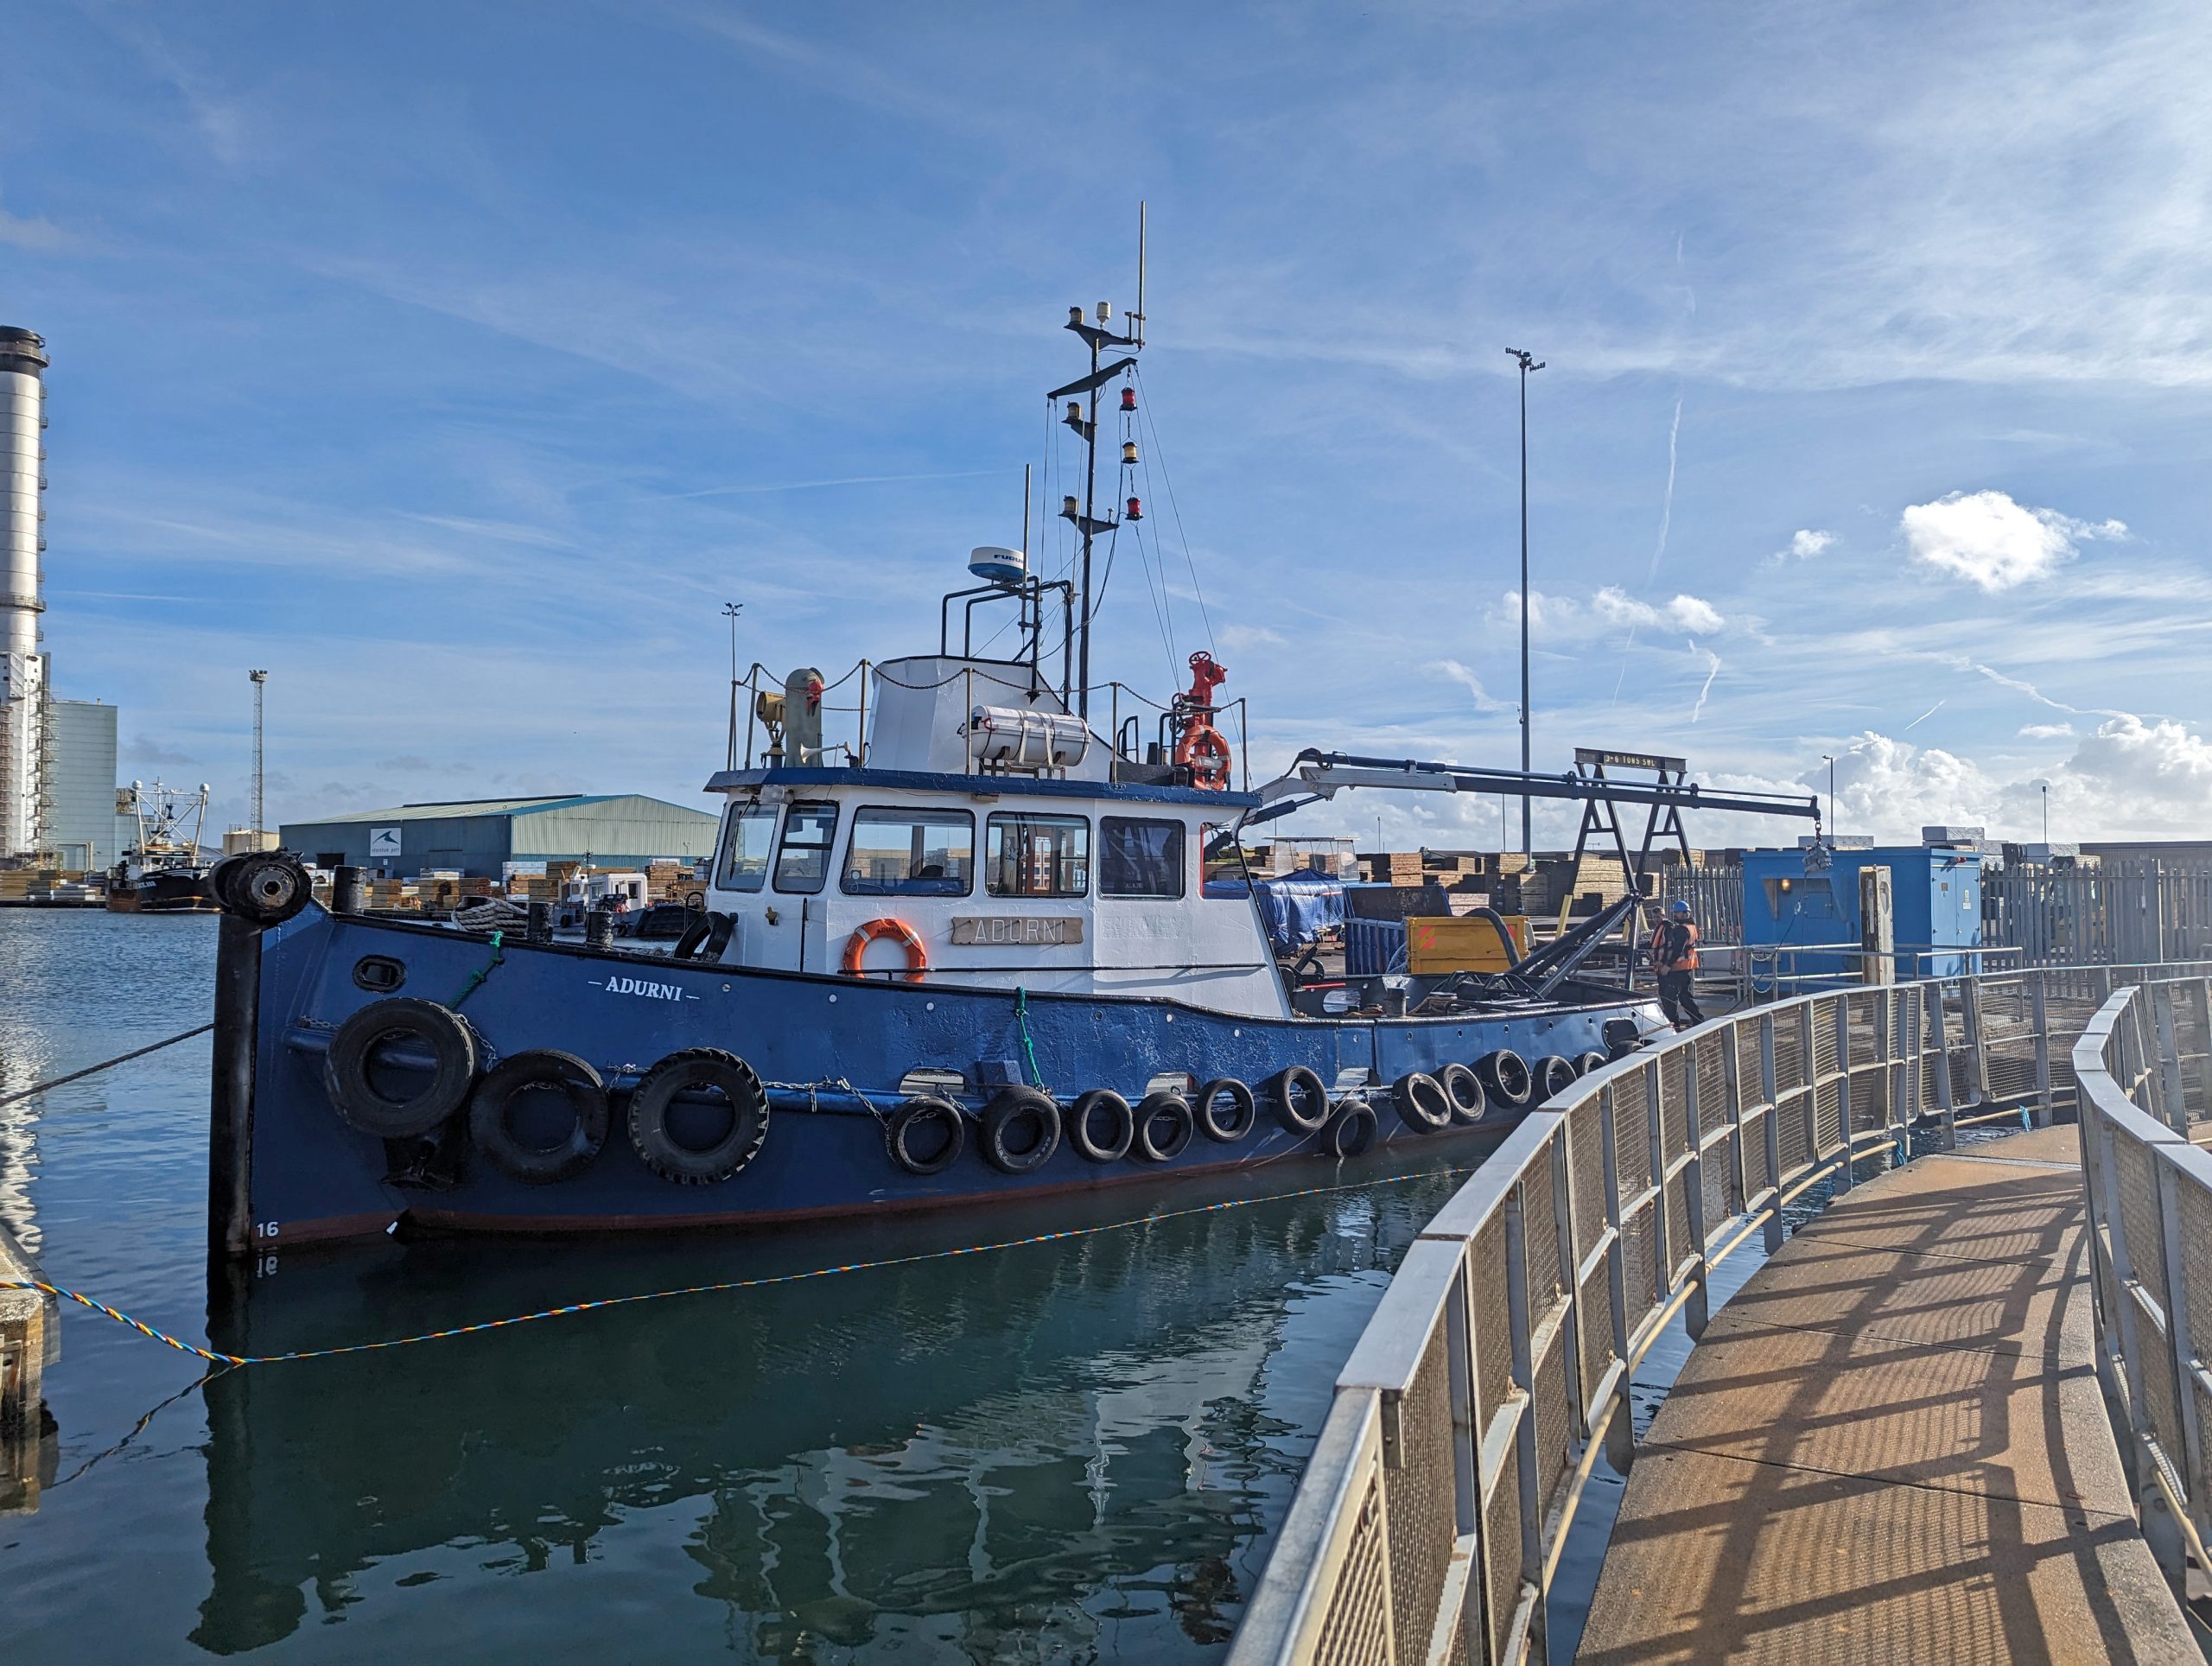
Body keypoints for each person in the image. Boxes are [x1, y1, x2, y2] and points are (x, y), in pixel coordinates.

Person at [1652, 900, 1705, 1030]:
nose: (1675, 915)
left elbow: (1677, 950)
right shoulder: (1691, 927)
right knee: (1684, 996)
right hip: (1685, 967)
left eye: (1677, 913)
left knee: (1670, 997)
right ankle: (1698, 1020)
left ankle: (1674, 1024)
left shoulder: (1681, 929)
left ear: (1684, 913)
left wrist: (1666, 965)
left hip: (1677, 968)